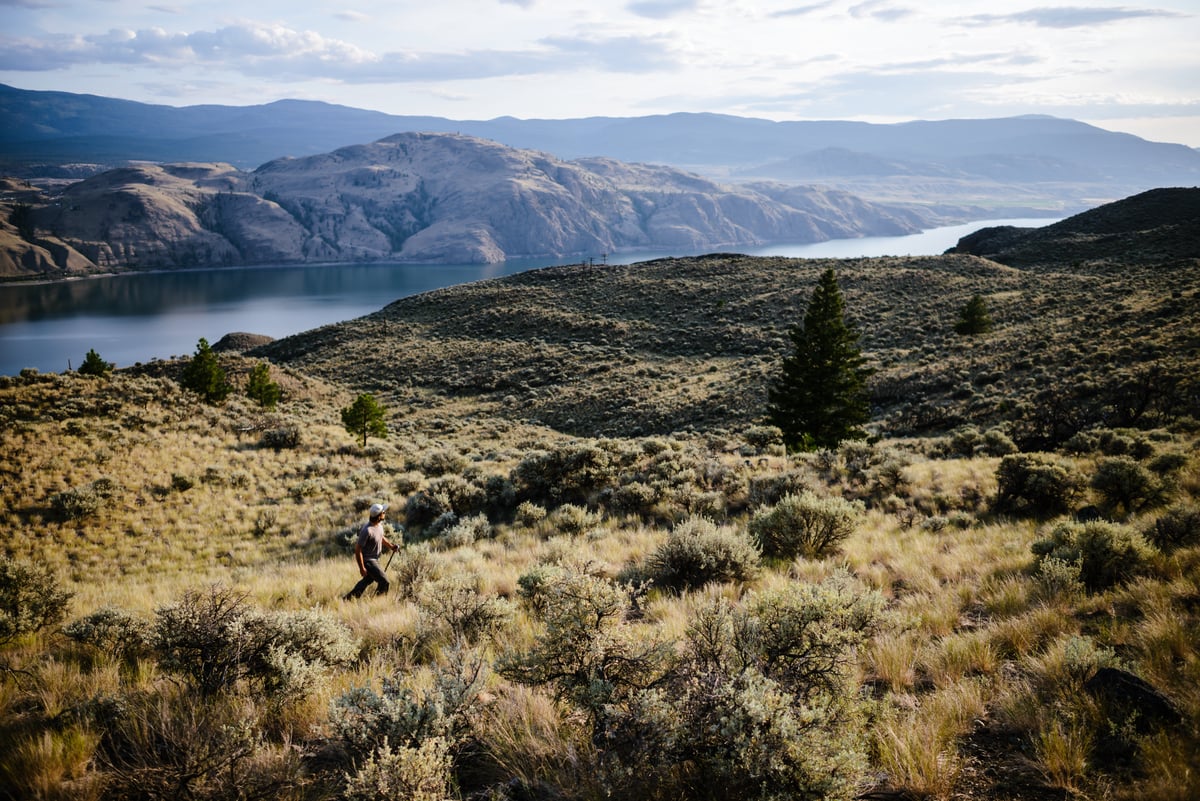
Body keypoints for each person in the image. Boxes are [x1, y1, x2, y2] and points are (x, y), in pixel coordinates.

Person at [344, 502, 400, 599]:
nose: (385, 513)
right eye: (383, 512)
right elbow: (358, 550)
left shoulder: (379, 526)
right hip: (368, 561)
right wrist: (362, 568)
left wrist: (391, 546)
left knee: (367, 580)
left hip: (375, 559)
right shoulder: (367, 530)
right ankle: (379, 602)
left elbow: (381, 537)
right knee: (384, 581)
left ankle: (349, 599)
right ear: (378, 516)